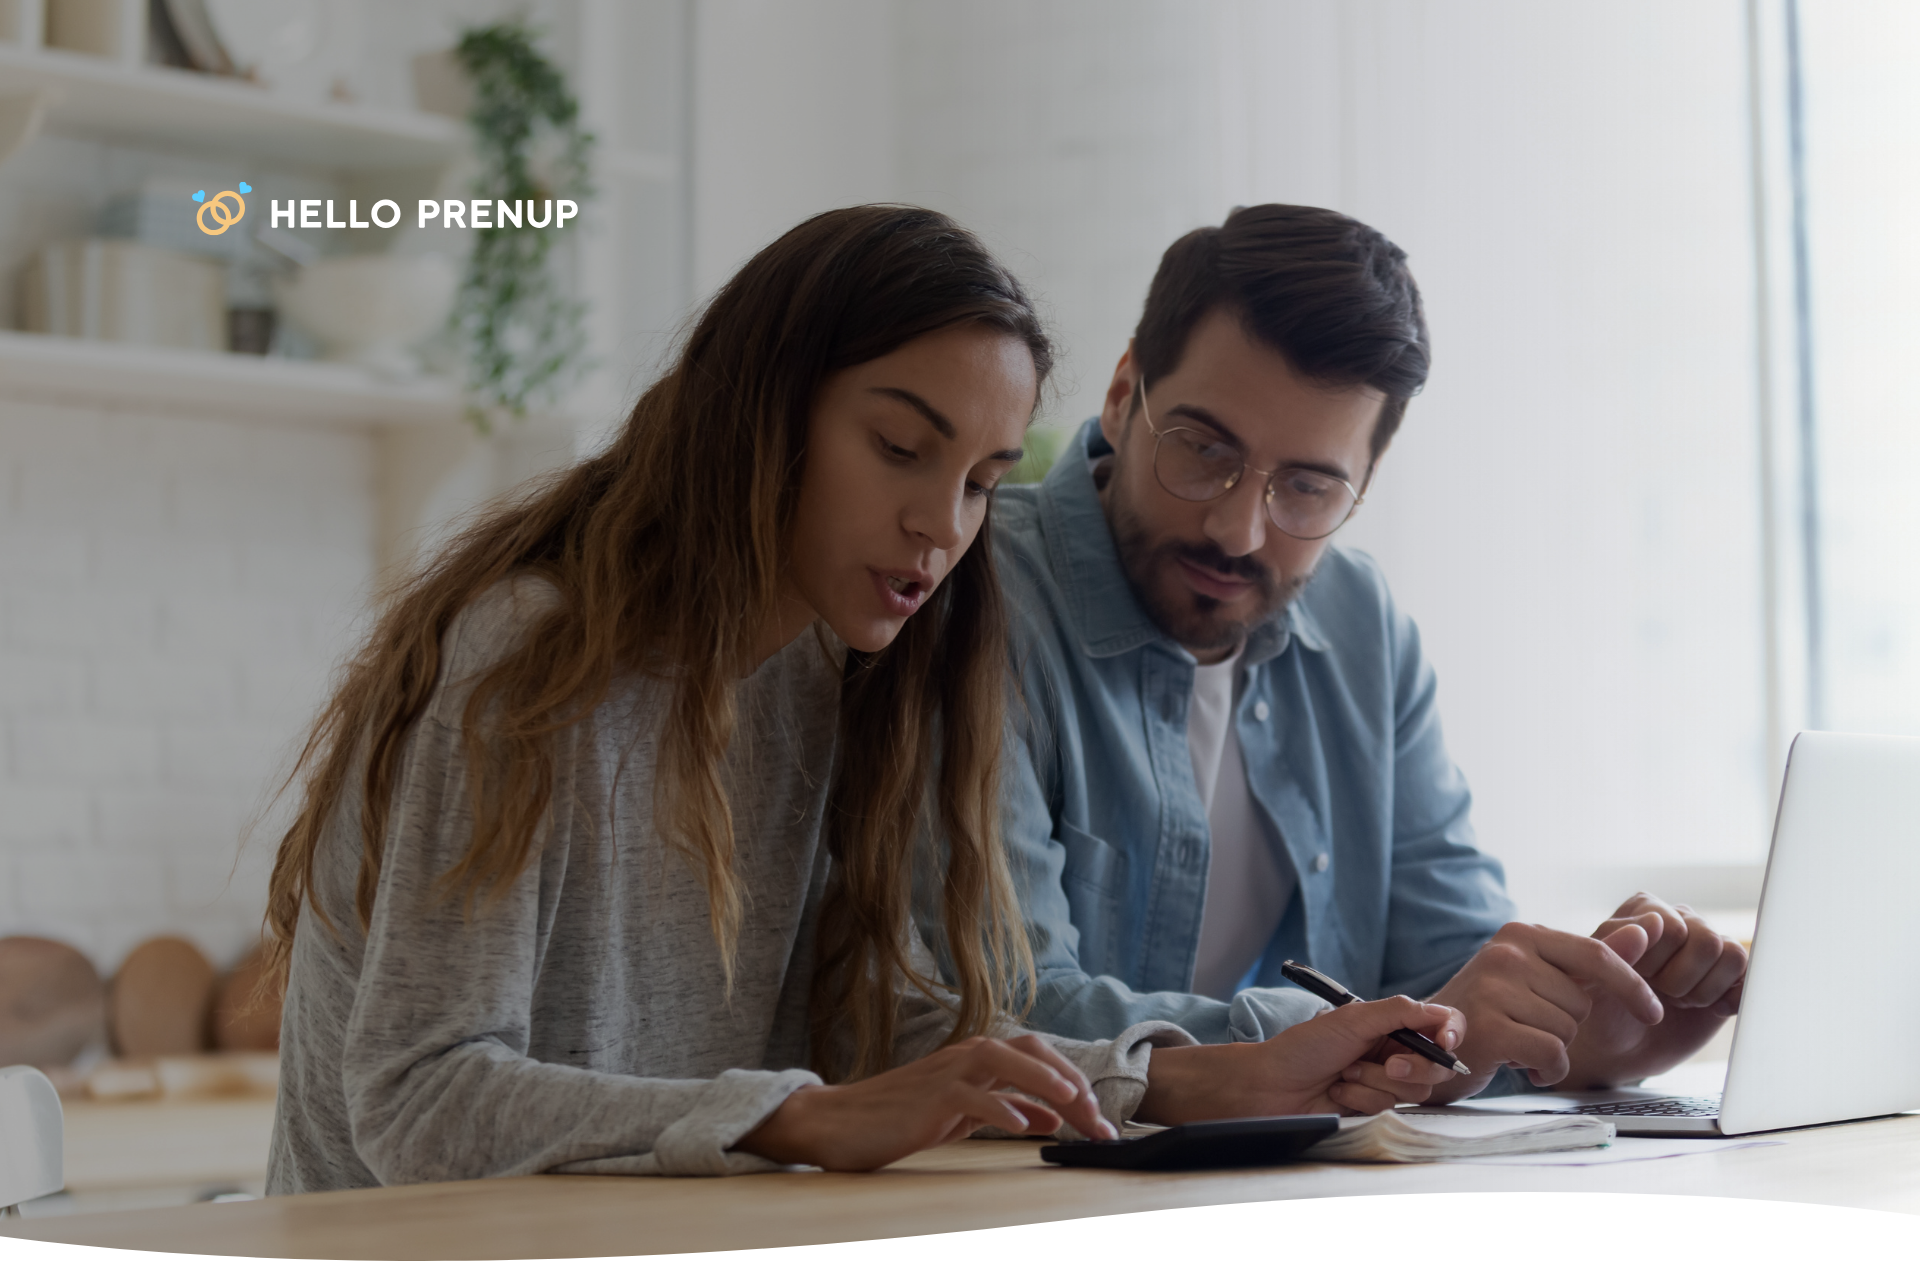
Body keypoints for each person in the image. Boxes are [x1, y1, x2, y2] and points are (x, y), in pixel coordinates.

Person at [258, 205, 1467, 1194]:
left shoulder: (843, 677)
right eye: (900, 448)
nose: (942, 527)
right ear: (766, 413)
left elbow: (888, 1032)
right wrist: (797, 1119)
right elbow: (418, 1099)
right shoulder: (529, 655)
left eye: (984, 481)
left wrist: (1197, 1076)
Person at [962, 204, 1746, 1101]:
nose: (1236, 526)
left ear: (1364, 484)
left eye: (1307, 486)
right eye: (1203, 448)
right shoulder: (979, 599)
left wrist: (1601, 1023)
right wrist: (1367, 1036)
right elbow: (998, 1009)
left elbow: (1453, 971)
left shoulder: (1362, 623)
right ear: (1121, 390)